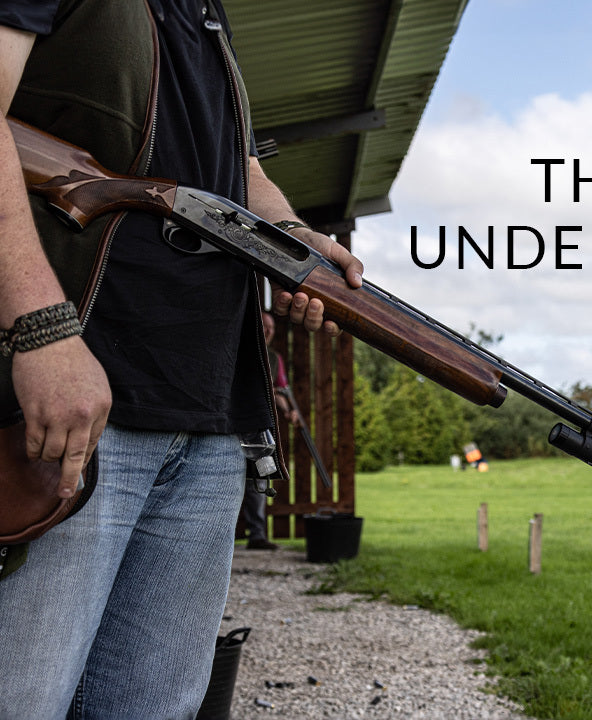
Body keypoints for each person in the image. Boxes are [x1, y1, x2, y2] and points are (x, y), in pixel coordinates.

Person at [0, 1, 364, 718]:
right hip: (76, 405)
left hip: (210, 413)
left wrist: (289, 232)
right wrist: (43, 330)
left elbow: (238, 165)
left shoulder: (208, 11)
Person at [240, 311, 301, 551]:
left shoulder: (274, 359)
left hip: (259, 429)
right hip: (231, 425)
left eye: (271, 328)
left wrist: (288, 412)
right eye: (264, 325)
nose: (267, 331)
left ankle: (257, 536)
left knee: (260, 479)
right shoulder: (240, 349)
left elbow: (280, 391)